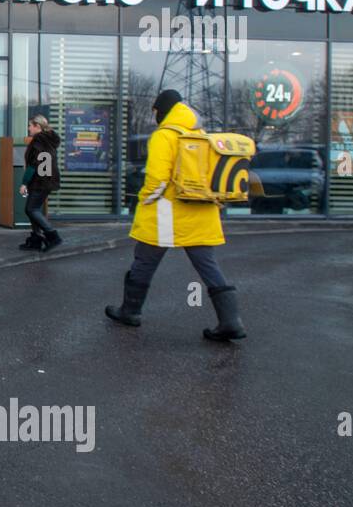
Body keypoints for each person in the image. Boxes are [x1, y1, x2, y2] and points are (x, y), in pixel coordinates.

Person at [105, 89, 247, 340]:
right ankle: (231, 320)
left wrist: (142, 199)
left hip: (166, 216)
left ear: (163, 109)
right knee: (207, 265)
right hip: (202, 212)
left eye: (156, 110)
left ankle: (130, 311)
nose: (155, 115)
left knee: (144, 260)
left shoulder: (164, 136)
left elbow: (157, 180)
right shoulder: (201, 135)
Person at [18, 115, 62, 252]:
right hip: (46, 179)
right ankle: (37, 239)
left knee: (31, 209)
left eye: (30, 125)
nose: (28, 128)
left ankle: (52, 236)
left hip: (40, 181)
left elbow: (33, 165)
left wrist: (24, 183)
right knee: (33, 210)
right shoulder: (48, 140)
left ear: (37, 126)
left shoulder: (38, 141)